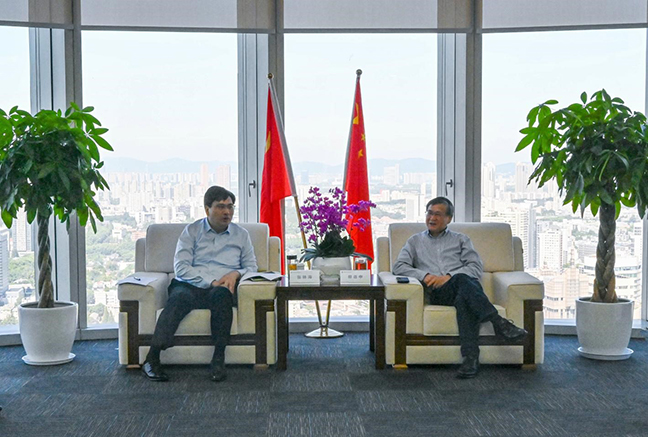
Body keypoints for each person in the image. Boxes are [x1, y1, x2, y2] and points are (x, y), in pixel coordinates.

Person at [393, 196, 527, 379]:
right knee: (463, 280)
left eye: (438, 214)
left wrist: (448, 277)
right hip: (439, 293)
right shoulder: (415, 241)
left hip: (464, 290)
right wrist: (425, 275)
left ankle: (471, 359)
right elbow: (399, 266)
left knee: (463, 295)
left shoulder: (461, 239)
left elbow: (475, 267)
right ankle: (499, 323)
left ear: (448, 219)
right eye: (430, 213)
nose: (432, 218)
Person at [142, 186, 258, 382]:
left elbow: (251, 266)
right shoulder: (192, 231)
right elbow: (181, 267)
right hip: (190, 285)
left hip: (221, 288)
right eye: (220, 206)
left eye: (230, 206)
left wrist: (235, 273)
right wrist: (210, 282)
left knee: (222, 295)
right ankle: (152, 358)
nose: (227, 212)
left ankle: (218, 359)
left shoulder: (241, 235)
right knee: (178, 298)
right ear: (207, 209)